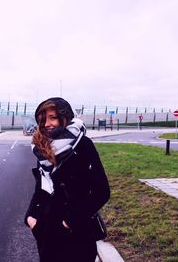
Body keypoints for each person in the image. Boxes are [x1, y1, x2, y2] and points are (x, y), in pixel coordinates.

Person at [25, 97, 110, 262]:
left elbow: (102, 191)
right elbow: (41, 188)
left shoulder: (83, 144)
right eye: (43, 120)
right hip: (46, 230)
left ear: (65, 118)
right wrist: (32, 217)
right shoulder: (42, 148)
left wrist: (69, 221)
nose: (47, 124)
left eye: (53, 118)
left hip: (77, 230)